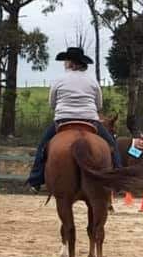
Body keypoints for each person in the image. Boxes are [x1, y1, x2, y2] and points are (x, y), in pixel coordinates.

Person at [26, 47, 120, 191]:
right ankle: (117, 177)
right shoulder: (92, 81)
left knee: (43, 147)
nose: (64, 63)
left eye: (66, 61)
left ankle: (36, 180)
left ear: (71, 63)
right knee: (112, 146)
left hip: (63, 120)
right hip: (89, 120)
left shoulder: (59, 80)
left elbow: (52, 103)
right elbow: (99, 104)